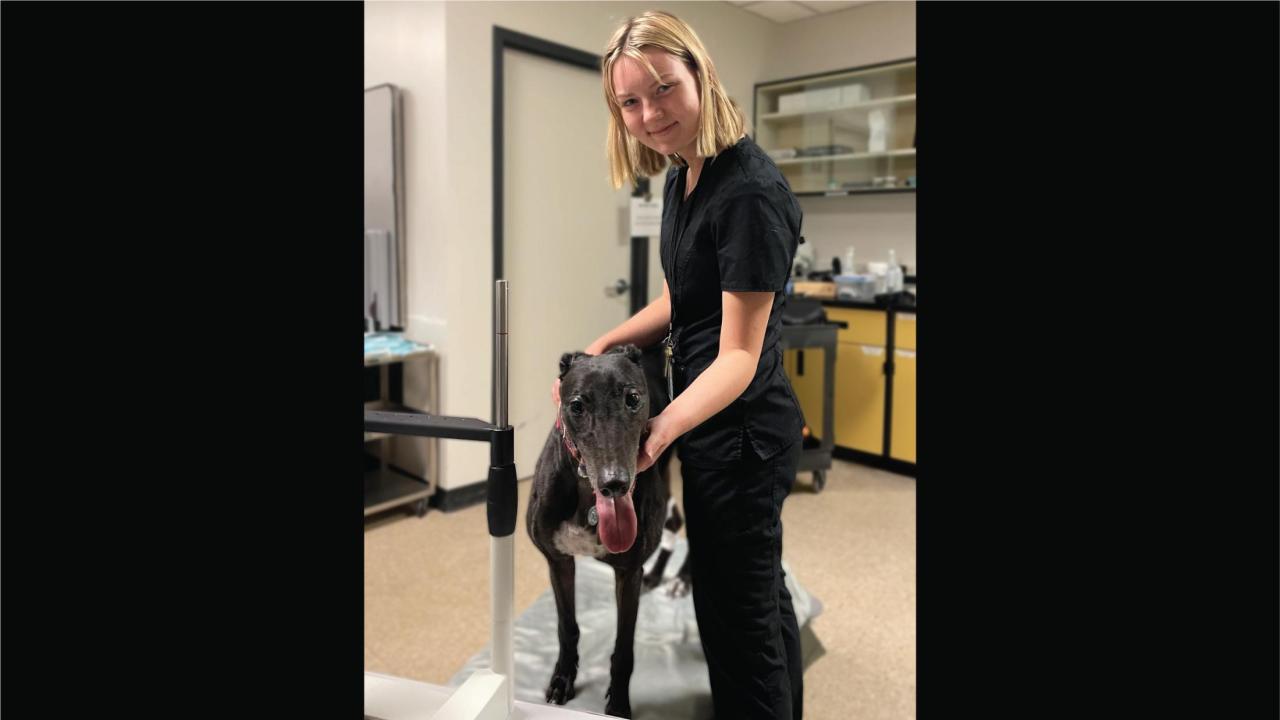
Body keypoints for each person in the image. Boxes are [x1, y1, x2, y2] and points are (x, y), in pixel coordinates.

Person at [553, 10, 806, 719]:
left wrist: (656, 432)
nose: (648, 114)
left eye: (663, 89)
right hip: (711, 424)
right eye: (629, 102)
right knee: (758, 593)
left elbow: (737, 357)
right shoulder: (685, 176)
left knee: (736, 620)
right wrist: (598, 349)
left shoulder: (749, 191)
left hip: (743, 433)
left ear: (700, 72)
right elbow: (679, 296)